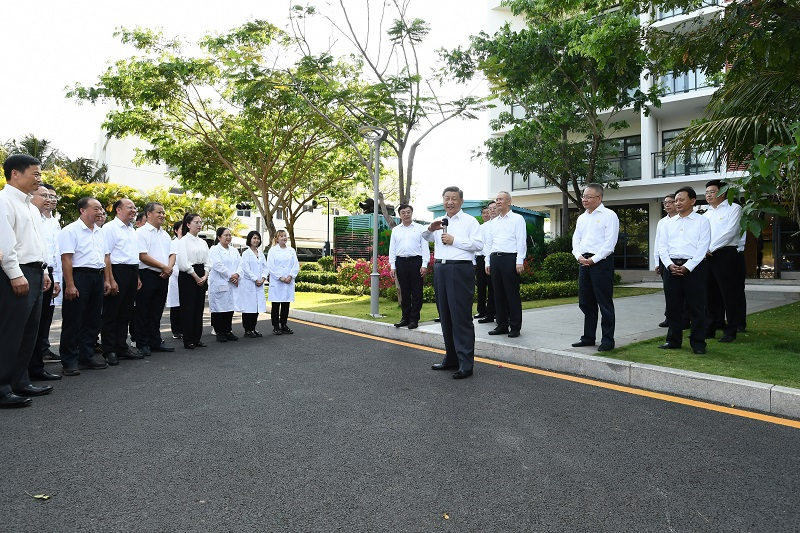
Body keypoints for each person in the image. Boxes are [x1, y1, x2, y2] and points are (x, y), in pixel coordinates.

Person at [0, 154, 53, 407]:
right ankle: (2, 387)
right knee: (10, 332)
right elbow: (5, 244)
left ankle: (20, 381)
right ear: (15, 174)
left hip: (34, 271)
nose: (39, 179)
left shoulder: (31, 207)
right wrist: (15, 274)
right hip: (16, 272)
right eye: (35, 174)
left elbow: (36, 244)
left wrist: (43, 272)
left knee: (29, 332)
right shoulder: (4, 201)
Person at [422, 186, 483, 379]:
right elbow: (424, 237)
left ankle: (466, 363)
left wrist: (454, 240)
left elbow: (479, 245)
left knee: (461, 316)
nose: (450, 202)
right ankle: (451, 358)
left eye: (454, 198)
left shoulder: (470, 221)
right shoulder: (439, 221)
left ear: (461, 201)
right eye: (446, 198)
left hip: (460, 269)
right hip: (441, 269)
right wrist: (430, 228)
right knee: (445, 315)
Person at [57, 197, 109, 376]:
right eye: (96, 208)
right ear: (83, 210)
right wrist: (70, 284)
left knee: (93, 319)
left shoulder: (100, 232)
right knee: (73, 319)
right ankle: (69, 360)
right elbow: (66, 259)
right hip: (78, 276)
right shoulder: (70, 230)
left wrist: (105, 280)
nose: (100, 211)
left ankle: (86, 356)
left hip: (97, 276)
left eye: (101, 208)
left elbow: (104, 257)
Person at [658, 187, 711, 354]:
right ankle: (673, 340)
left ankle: (698, 343)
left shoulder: (702, 221)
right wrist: (668, 264)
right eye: (676, 200)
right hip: (671, 267)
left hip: (694, 268)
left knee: (696, 307)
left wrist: (688, 267)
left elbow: (703, 247)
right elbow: (662, 247)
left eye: (681, 200)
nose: (677, 203)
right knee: (673, 307)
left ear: (693, 201)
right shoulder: (667, 223)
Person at [570, 183, 619, 352]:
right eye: (583, 196)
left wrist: (594, 259)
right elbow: (576, 240)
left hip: (601, 263)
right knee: (586, 302)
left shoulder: (609, 215)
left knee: (604, 302)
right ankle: (588, 337)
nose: (584, 199)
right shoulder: (582, 218)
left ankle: (607, 339)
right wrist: (578, 256)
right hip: (584, 262)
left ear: (599, 198)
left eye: (588, 197)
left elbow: (610, 243)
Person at [100, 198, 144, 365]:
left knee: (125, 312)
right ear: (118, 210)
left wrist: (137, 277)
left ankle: (121, 346)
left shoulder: (132, 230)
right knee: (111, 312)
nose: (133, 210)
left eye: (134, 207)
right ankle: (109, 349)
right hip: (117, 271)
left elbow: (133, 255)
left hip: (131, 272)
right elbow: (107, 255)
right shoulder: (110, 228)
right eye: (129, 207)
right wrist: (110, 279)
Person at [703, 180, 746, 342]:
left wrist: (710, 248)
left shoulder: (734, 208)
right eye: (707, 192)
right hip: (707, 257)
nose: (708, 195)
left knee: (729, 294)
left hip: (726, 255)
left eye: (712, 192)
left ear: (723, 193)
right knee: (709, 295)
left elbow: (731, 233)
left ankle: (731, 330)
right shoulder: (706, 214)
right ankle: (711, 327)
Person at [28, 184, 62, 381]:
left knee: (43, 321)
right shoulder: (31, 217)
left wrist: (55, 278)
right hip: (32, 269)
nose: (49, 199)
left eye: (51, 196)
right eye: (45, 195)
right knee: (30, 323)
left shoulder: (53, 222)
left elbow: (53, 252)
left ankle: (37, 365)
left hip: (48, 271)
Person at [135, 202, 175, 356]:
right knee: (143, 310)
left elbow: (172, 254)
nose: (162, 215)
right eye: (159, 212)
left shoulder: (165, 235)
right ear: (148, 214)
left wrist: (168, 268)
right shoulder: (141, 233)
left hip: (164, 276)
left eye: (163, 212)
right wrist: (163, 267)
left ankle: (155, 341)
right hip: (148, 275)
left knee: (157, 310)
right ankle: (142, 343)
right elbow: (142, 255)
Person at [485, 191, 527, 338]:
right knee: (498, 294)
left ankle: (515, 327)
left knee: (512, 294)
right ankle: (501, 325)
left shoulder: (517, 219)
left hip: (510, 258)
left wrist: (519, 261)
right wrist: (487, 261)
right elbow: (489, 243)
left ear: (509, 202)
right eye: (496, 199)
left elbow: (521, 240)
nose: (498, 202)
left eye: (501, 199)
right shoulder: (493, 222)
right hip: (495, 258)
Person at [388, 203, 429, 330]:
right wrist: (392, 266)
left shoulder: (420, 228)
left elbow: (425, 248)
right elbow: (392, 249)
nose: (406, 214)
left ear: (412, 213)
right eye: (403, 213)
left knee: (417, 292)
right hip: (401, 262)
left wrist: (424, 264)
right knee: (404, 292)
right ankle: (405, 318)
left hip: (416, 262)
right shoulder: (396, 230)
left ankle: (414, 319)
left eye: (408, 212)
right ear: (399, 215)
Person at [176, 213, 210, 349]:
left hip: (202, 273)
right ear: (188, 224)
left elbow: (208, 261)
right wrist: (196, 277)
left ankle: (197, 338)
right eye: (196, 222)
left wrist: (205, 275)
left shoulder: (203, 242)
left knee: (199, 308)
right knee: (188, 308)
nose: (199, 224)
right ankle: (188, 339)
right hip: (188, 276)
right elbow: (183, 263)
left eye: (201, 222)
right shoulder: (183, 241)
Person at [208, 227, 241, 343]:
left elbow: (240, 264)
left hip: (232, 283)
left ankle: (228, 330)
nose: (228, 237)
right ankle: (219, 332)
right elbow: (217, 265)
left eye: (229, 235)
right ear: (219, 237)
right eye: (225, 235)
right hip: (219, 282)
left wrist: (237, 274)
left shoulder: (234, 250)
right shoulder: (214, 249)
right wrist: (231, 276)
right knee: (218, 308)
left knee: (229, 308)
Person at [266, 229, 300, 335]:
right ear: (277, 238)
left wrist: (291, 276)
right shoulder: (273, 250)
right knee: (276, 305)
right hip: (277, 282)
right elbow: (270, 266)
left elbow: (295, 265)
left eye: (285, 236)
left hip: (288, 281)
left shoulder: (291, 250)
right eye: (281, 236)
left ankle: (284, 324)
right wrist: (280, 277)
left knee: (286, 304)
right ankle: (276, 326)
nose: (284, 238)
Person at [654, 194, 678, 328]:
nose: (667, 205)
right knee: (669, 291)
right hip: (664, 260)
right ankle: (669, 317)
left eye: (670, 202)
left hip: (679, 259)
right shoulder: (662, 222)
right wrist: (657, 263)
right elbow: (657, 243)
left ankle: (685, 318)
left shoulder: (683, 220)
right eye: (665, 203)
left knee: (682, 292)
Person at [238, 231, 268, 338]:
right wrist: (255, 279)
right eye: (254, 238)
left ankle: (253, 328)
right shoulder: (246, 254)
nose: (256, 240)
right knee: (248, 308)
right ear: (250, 239)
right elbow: (245, 269)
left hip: (259, 284)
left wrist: (263, 278)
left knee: (256, 308)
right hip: (249, 284)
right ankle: (247, 330)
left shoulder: (260, 253)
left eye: (258, 238)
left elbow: (265, 267)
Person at [474, 203, 494, 322]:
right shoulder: (480, 227)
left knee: (492, 287)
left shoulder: (493, 226)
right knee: (481, 286)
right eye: (484, 213)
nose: (486, 214)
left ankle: (492, 312)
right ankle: (481, 311)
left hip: (490, 258)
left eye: (489, 212)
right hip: (480, 259)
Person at [166, 220, 183, 340]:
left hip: (187, 276)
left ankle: (184, 328)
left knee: (184, 305)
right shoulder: (173, 243)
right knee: (176, 304)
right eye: (181, 229)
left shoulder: (187, 243)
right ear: (176, 231)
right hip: (175, 275)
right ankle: (176, 330)